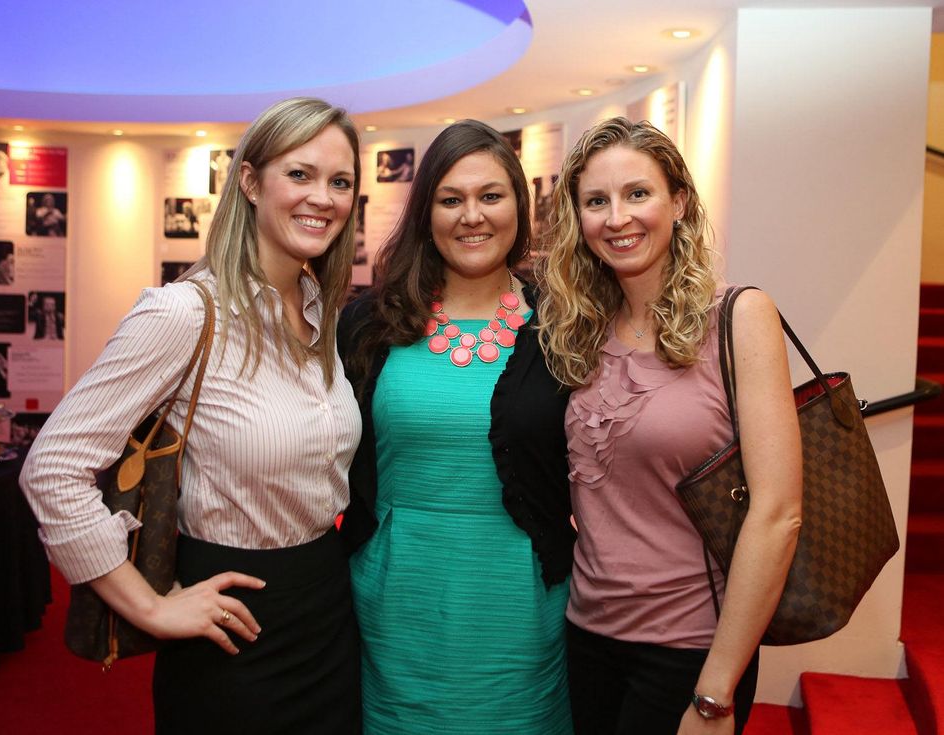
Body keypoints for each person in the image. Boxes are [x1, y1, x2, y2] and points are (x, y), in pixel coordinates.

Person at [20, 97, 364, 734]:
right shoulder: (183, 313)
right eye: (300, 174)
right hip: (230, 625)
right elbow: (53, 468)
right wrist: (149, 608)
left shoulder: (324, 313)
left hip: (327, 608)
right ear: (250, 182)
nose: (322, 197)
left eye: (340, 182)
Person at [537, 117, 803, 735]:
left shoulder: (738, 317)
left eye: (638, 193)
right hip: (586, 636)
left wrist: (716, 690)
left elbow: (779, 513)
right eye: (596, 201)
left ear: (678, 201)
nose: (617, 218)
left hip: (692, 647)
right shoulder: (576, 329)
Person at [338, 119, 575, 734]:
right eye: (451, 199)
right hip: (396, 602)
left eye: (490, 196)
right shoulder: (369, 323)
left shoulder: (565, 323)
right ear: (427, 213)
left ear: (519, 206)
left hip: (522, 608)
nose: (472, 216)